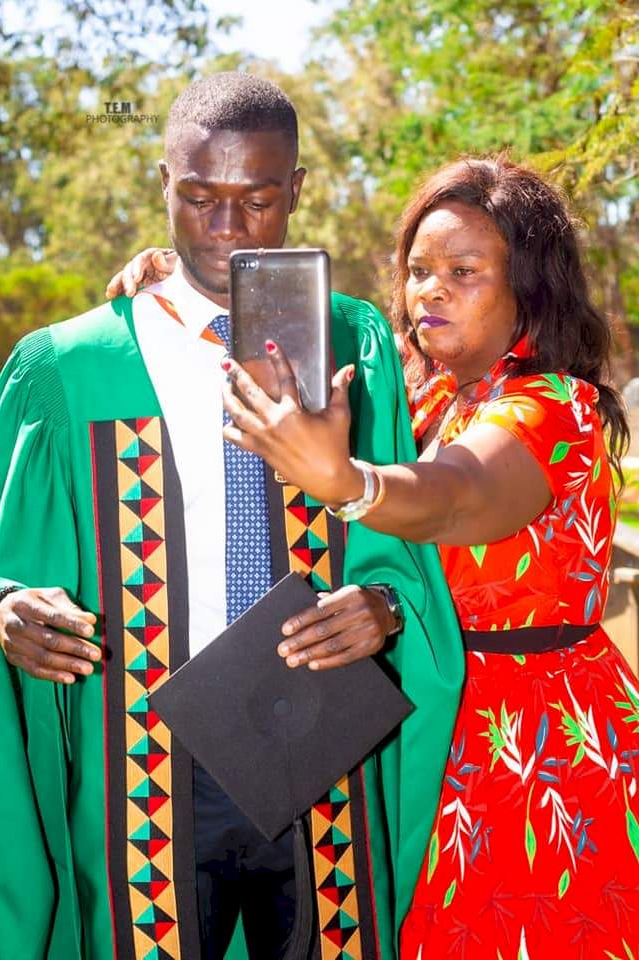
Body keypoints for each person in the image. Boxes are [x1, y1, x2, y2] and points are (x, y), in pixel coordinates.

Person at [0, 73, 464, 960]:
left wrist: (387, 605)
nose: (225, 230)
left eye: (256, 200)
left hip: (320, 736)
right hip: (139, 751)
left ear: (296, 191)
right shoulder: (65, 366)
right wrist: (6, 601)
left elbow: (398, 534)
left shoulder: (353, 340)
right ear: (162, 186)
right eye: (201, 198)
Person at [207, 155, 639, 958]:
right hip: (420, 719)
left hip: (527, 746)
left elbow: (455, 496)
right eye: (418, 271)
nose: (429, 290)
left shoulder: (554, 410)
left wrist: (347, 479)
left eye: (463, 271)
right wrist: (181, 280)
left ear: (528, 290)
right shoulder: (422, 395)